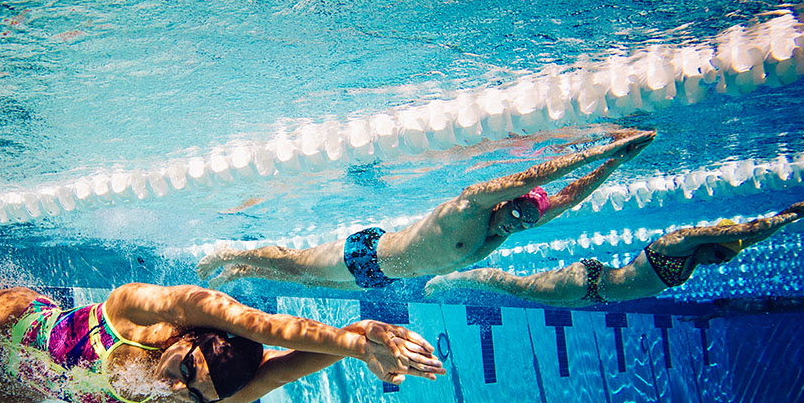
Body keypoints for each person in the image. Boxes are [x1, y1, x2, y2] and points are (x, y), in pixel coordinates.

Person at [0, 282, 445, 403]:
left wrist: (359, 344)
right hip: (5, 325)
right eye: (188, 371)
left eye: (196, 392)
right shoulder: (137, 313)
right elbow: (263, 325)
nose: (179, 389)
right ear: (188, 339)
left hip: (13, 384)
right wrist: (349, 339)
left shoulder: (195, 400)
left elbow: (280, 372)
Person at [197, 128, 656, 290]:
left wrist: (615, 166)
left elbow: (561, 200)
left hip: (383, 277)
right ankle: (228, 253)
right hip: (367, 255)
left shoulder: (502, 232)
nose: (518, 223)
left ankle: (241, 272)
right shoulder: (471, 207)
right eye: (517, 214)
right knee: (296, 263)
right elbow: (536, 179)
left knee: (305, 278)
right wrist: (600, 151)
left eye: (526, 221)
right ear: (507, 204)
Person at [424, 198, 804, 306]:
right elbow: (745, 230)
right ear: (711, 244)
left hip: (593, 287)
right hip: (587, 285)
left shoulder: (695, 254)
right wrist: (790, 214)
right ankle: (445, 279)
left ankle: (452, 279)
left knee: (514, 285)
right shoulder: (676, 244)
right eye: (721, 254)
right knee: (510, 286)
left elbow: (745, 238)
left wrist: (791, 218)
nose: (720, 263)